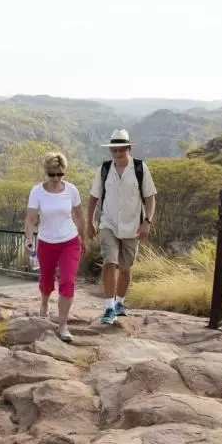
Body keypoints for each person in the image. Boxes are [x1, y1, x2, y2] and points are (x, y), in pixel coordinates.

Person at [87, 129, 156, 324]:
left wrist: (147, 221)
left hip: (132, 226)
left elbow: (150, 198)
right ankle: (109, 307)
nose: (117, 155)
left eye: (121, 151)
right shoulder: (104, 169)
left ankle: (119, 303)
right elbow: (94, 197)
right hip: (108, 223)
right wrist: (89, 222)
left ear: (128, 149)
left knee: (126, 267)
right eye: (114, 151)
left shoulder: (141, 169)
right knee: (110, 262)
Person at [24, 152, 85, 343]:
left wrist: (84, 239)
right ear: (46, 172)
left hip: (69, 241)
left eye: (60, 174)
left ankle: (63, 325)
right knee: (47, 281)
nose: (57, 178)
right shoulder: (37, 191)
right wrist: (28, 240)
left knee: (67, 281)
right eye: (52, 174)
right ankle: (44, 304)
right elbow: (30, 219)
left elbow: (79, 216)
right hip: (47, 243)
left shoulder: (71, 190)